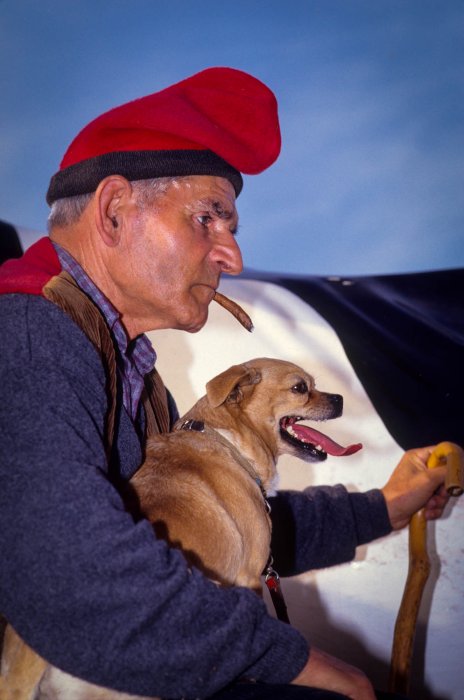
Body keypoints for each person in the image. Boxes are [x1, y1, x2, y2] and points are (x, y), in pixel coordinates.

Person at [0, 67, 450, 700]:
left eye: (232, 230)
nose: (231, 257)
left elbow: (220, 523)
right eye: (209, 219)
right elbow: (75, 579)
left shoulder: (130, 377)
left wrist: (382, 507)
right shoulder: (28, 337)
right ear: (113, 212)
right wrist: (298, 661)